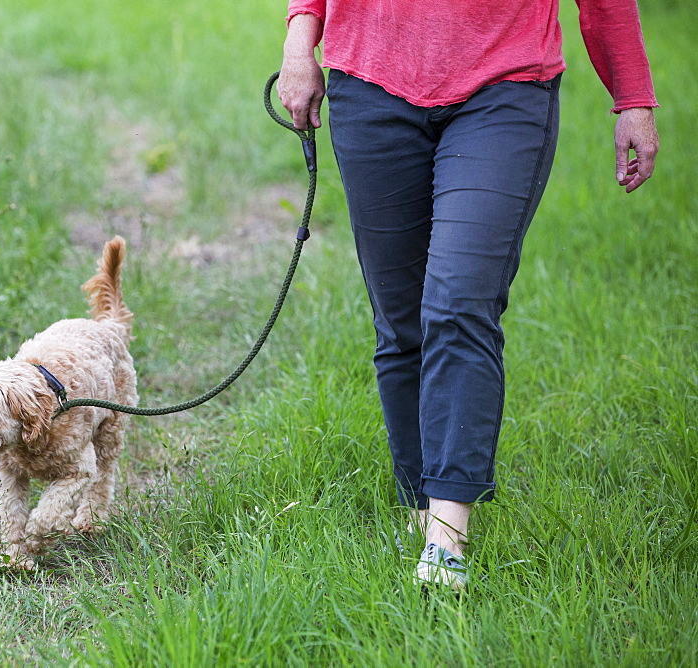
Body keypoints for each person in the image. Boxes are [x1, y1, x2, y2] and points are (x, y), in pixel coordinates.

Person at [278, 0, 659, 590]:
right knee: (401, 321)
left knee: (459, 302)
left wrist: (633, 98)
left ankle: (447, 540)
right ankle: (418, 508)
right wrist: (299, 45)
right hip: (371, 84)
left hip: (504, 87)